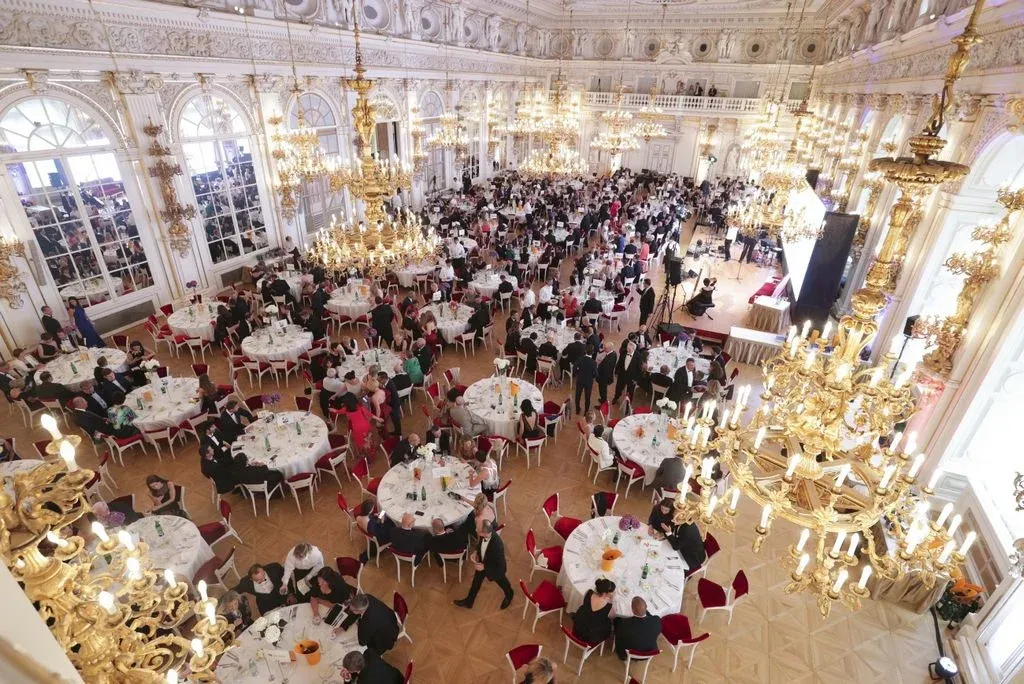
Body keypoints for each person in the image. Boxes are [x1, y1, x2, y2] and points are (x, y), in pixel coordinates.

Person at [454, 519, 514, 609]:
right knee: (476, 583)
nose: (475, 530)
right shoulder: (485, 535)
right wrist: (476, 552)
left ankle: (509, 594)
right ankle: (469, 602)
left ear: (484, 533)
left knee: (503, 582)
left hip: (495, 569)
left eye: (478, 530)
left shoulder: (497, 546)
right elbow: (480, 544)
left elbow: (498, 564)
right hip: (483, 562)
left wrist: (484, 567)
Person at [572, 578, 616, 644]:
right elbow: (612, 617)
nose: (613, 593)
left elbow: (584, 603)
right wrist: (612, 600)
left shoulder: (589, 592)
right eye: (612, 592)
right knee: (609, 623)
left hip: (579, 625)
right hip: (591, 635)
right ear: (605, 593)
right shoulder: (609, 606)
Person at [339, 649, 404, 684]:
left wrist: (347, 679)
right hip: (399, 678)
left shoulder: (362, 682)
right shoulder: (369, 653)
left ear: (353, 671)